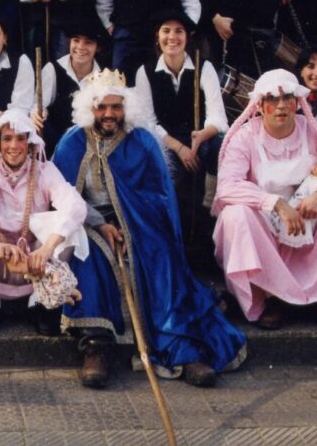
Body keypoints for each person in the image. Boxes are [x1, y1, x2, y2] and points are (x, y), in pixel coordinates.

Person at [54, 69, 247, 388]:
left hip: (140, 223)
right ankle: (95, 346)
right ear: (90, 108)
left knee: (160, 258)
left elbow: (159, 196)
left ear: (126, 109)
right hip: (86, 221)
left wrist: (133, 228)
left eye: (116, 107)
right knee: (89, 257)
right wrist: (101, 224)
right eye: (102, 107)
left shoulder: (142, 141)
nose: (109, 114)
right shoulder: (71, 142)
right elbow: (61, 195)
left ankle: (181, 348)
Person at [213, 69, 317, 329]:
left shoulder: (312, 131)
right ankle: (271, 298)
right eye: (272, 99)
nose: (281, 105)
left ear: (298, 102)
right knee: (235, 215)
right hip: (267, 225)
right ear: (260, 105)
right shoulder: (245, 136)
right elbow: (227, 186)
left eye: (288, 98)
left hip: (309, 221)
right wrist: (276, 204)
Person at [0, 109, 87, 335]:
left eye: (20, 138)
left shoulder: (45, 171)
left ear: (30, 143)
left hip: (36, 261)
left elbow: (75, 205)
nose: (14, 146)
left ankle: (38, 302)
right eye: (7, 138)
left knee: (69, 225)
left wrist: (47, 248)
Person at [133, 10, 228, 195]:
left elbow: (218, 117)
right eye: (166, 31)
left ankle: (211, 200)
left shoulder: (204, 67)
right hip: (166, 141)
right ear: (157, 36)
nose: (172, 37)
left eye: (179, 31)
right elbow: (148, 123)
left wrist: (201, 135)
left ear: (187, 37)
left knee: (218, 145)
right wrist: (179, 148)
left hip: (199, 139)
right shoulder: (145, 72)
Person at [33, 16, 103, 152]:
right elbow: (39, 105)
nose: (80, 47)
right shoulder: (53, 69)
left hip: (90, 145)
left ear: (97, 48)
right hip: (56, 144)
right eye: (76, 40)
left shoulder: (103, 76)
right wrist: (37, 113)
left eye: (88, 42)